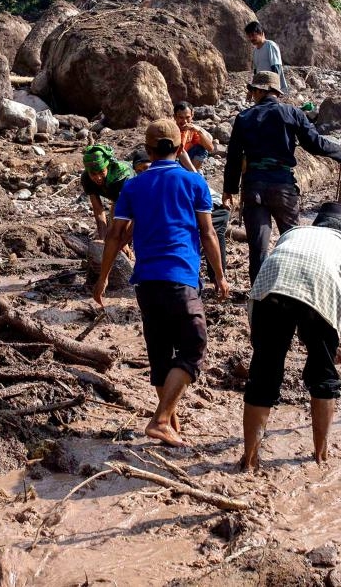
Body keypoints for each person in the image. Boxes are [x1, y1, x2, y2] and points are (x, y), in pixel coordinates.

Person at [94, 120, 229, 447]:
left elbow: (114, 234)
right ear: (180, 147)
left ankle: (170, 426)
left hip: (146, 283)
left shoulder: (133, 187)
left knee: (161, 354)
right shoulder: (193, 182)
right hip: (180, 277)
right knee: (195, 346)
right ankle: (160, 420)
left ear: (150, 150)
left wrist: (103, 279)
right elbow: (208, 233)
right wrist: (220, 276)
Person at [240, 202, 341, 470]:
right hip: (318, 300)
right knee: (323, 377)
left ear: (318, 223)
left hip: (268, 295)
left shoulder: (293, 233)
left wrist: (259, 340)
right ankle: (320, 457)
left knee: (263, 376)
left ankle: (249, 460)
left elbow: (289, 285)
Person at [222, 71, 341, 283]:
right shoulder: (291, 113)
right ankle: (294, 287)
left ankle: (259, 293)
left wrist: (229, 190)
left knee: (258, 246)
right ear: (275, 92)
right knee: (292, 240)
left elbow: (234, 157)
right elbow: (314, 143)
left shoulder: (244, 118)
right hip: (282, 187)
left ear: (259, 91)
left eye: (252, 91)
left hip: (253, 187)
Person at [130, 145, 229, 286]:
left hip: (215, 208)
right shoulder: (146, 186)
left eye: (146, 168)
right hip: (193, 210)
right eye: (139, 171)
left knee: (208, 234)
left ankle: (217, 278)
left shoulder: (173, 179)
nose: (143, 173)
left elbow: (207, 232)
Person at [81, 144, 134, 240]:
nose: (98, 177)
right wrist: (103, 238)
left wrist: (122, 241)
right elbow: (98, 209)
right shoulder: (86, 178)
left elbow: (125, 210)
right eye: (93, 174)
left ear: (108, 166)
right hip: (114, 194)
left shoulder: (122, 175)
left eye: (101, 171)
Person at [244, 21, 289, 96]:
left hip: (272, 89)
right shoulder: (255, 51)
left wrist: (274, 89)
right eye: (249, 36)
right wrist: (253, 90)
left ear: (261, 33)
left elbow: (276, 67)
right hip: (262, 88)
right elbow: (256, 72)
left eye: (253, 35)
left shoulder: (270, 45)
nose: (251, 38)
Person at [174, 101, 215, 170]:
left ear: (192, 115)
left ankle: (191, 174)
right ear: (175, 117)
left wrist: (199, 131)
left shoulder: (193, 129)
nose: (185, 121)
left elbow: (210, 148)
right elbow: (179, 152)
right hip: (174, 162)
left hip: (187, 161)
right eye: (181, 117)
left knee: (201, 148)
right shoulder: (171, 130)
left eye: (187, 117)